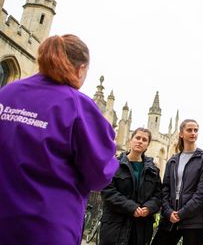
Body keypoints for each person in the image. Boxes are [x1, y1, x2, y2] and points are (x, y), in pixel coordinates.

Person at [0, 34, 118, 245]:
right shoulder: (77, 105)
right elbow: (99, 174)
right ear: (81, 69)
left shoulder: (7, 93)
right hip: (46, 227)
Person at [152, 119, 203, 245]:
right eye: (189, 130)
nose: (193, 133)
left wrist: (182, 213)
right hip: (170, 218)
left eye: (196, 130)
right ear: (181, 134)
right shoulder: (172, 161)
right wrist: (168, 211)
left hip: (194, 220)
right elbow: (165, 188)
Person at [100, 128, 162, 245]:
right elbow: (107, 191)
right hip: (116, 226)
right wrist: (131, 207)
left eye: (144, 140)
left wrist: (149, 207)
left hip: (141, 229)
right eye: (137, 138)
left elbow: (158, 195)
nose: (140, 141)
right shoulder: (114, 164)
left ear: (147, 145)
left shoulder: (153, 170)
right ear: (130, 140)